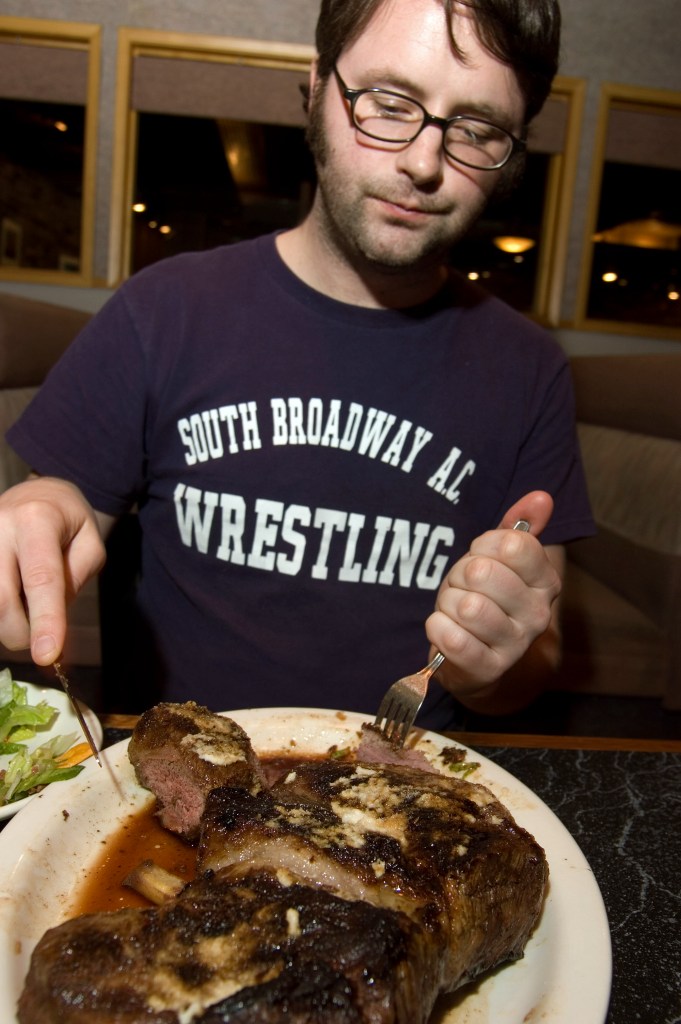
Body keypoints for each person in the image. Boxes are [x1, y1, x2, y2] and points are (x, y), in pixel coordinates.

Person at [0, 0, 593, 728]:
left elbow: (529, 668)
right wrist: (44, 505)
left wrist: (494, 665)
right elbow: (59, 507)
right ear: (316, 88)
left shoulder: (531, 369)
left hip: (404, 800)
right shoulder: (162, 310)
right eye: (387, 102)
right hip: (181, 791)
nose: (421, 162)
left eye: (476, 130)